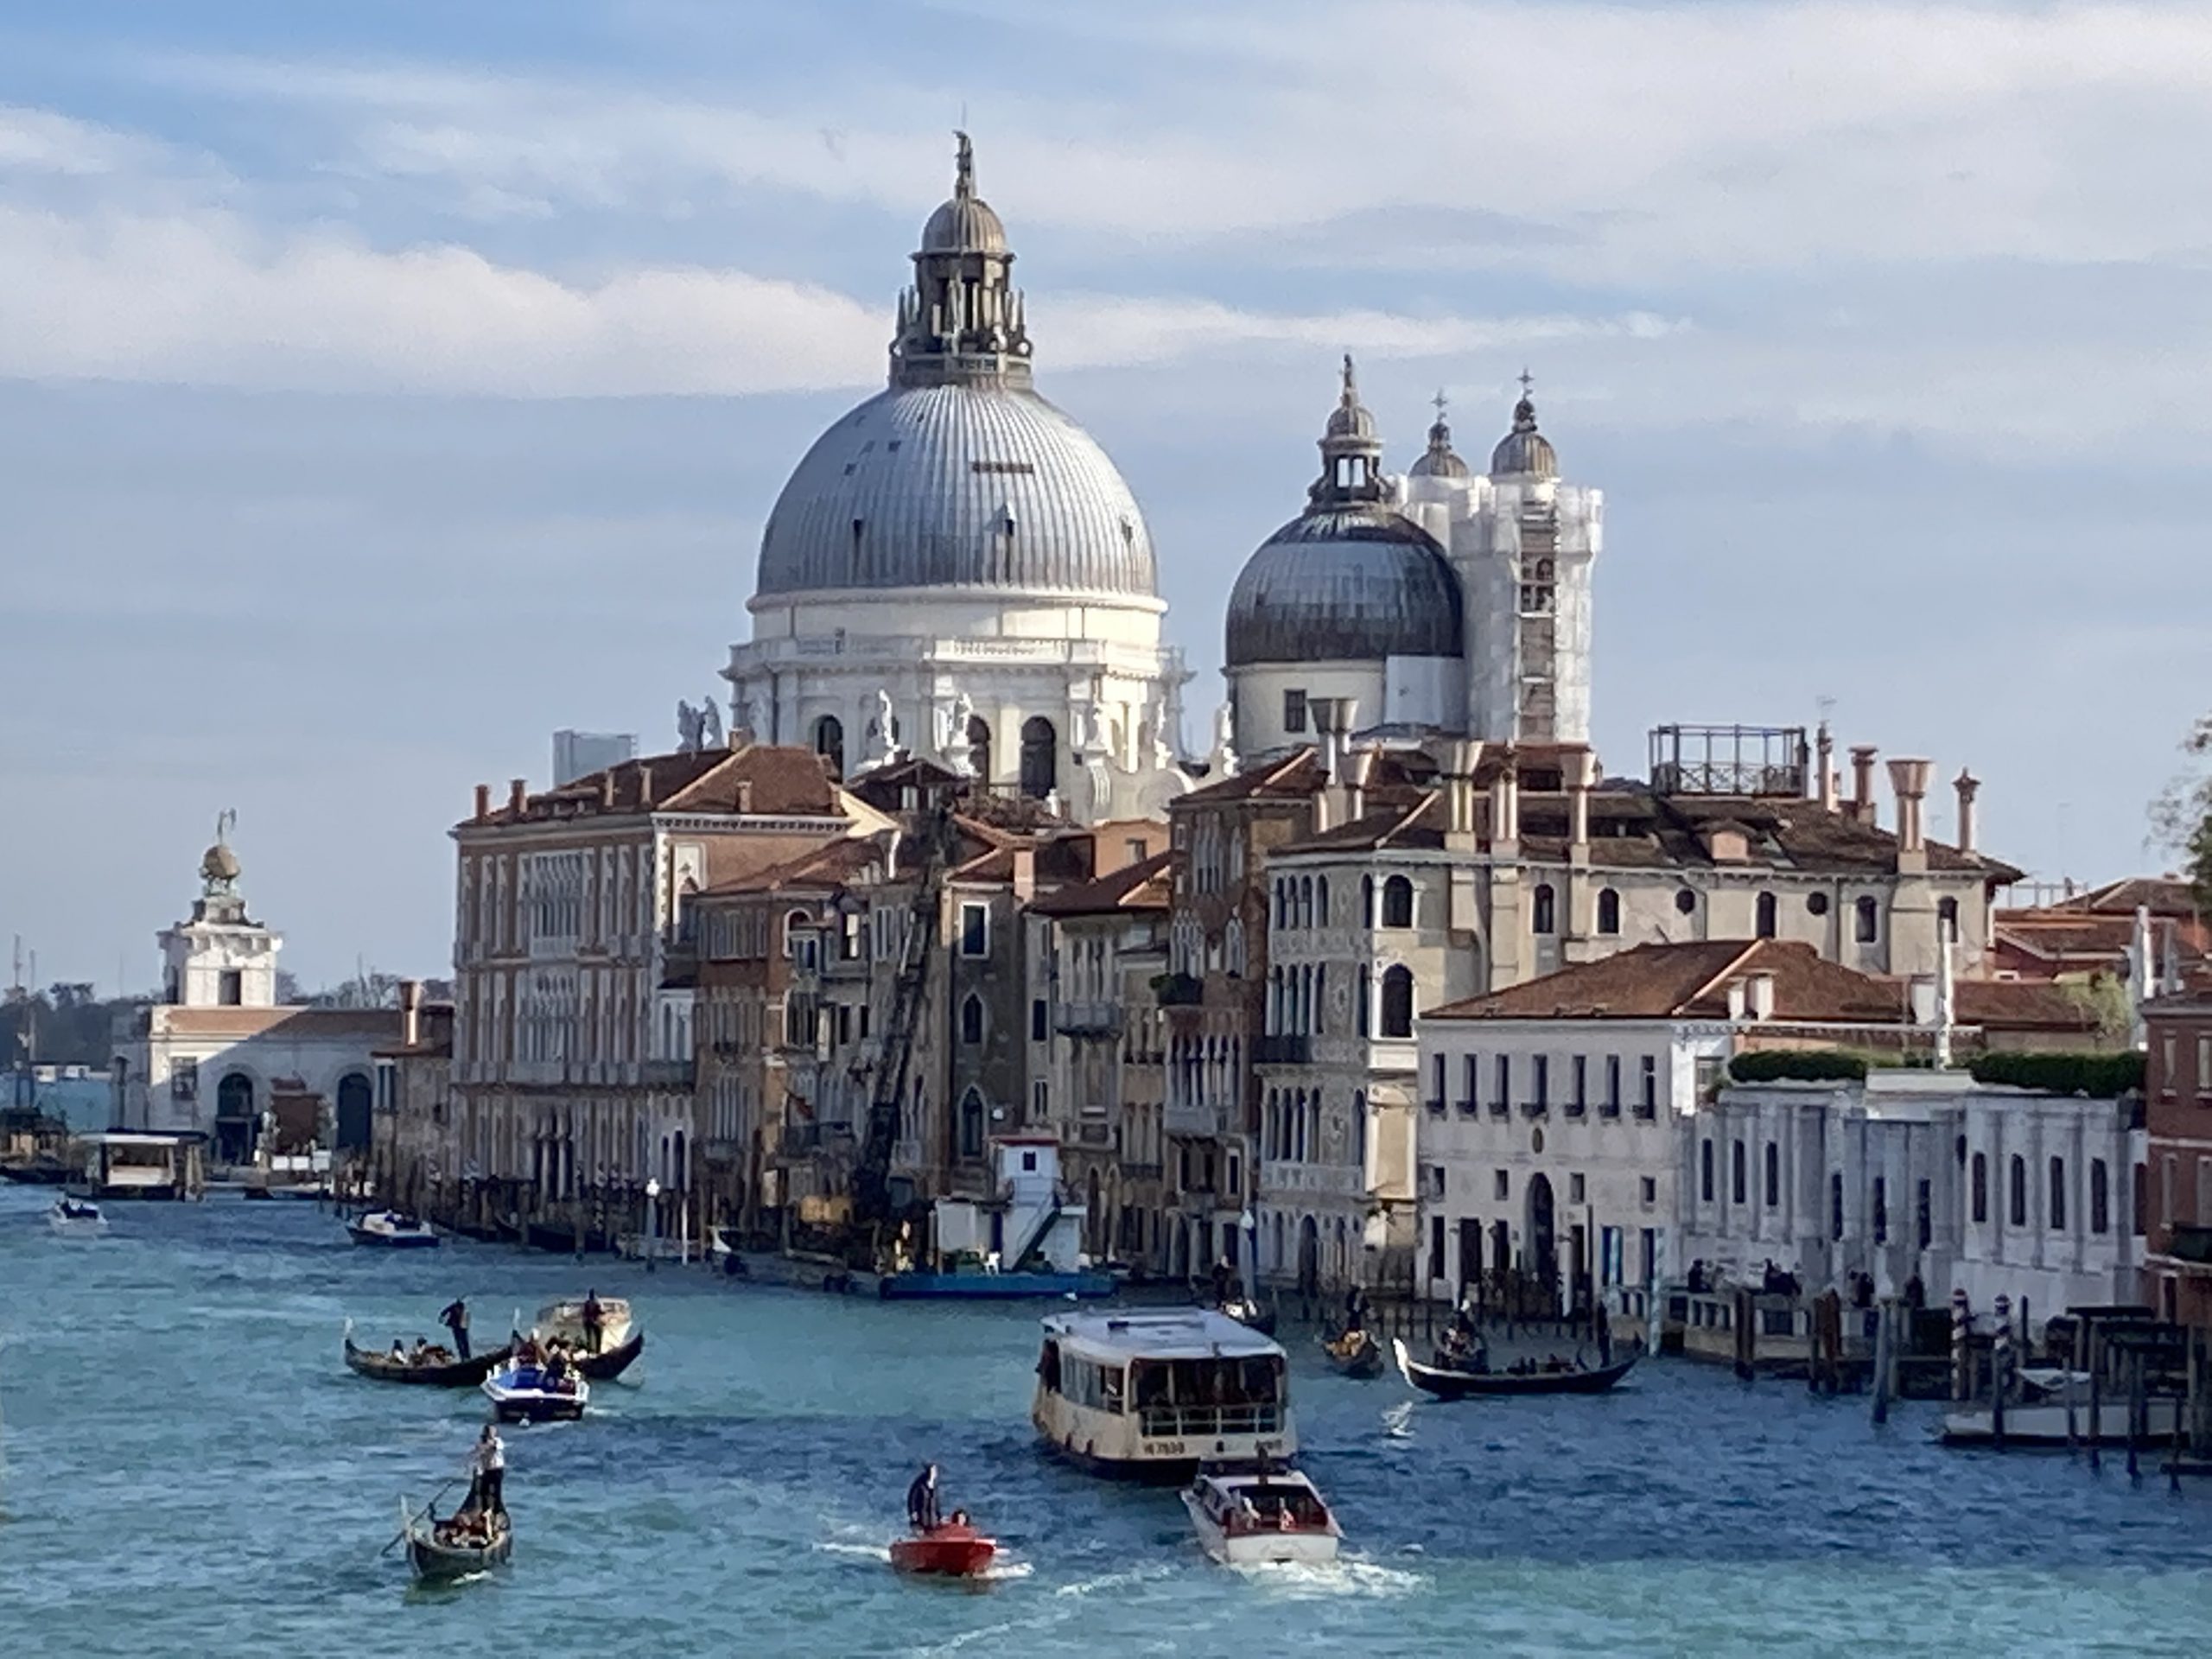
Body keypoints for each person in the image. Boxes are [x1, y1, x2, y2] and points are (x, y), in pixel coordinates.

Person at [470, 1424, 506, 1518]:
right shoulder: (480, 1444)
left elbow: (494, 1447)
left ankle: (497, 1512)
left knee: (496, 1492)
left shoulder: (498, 1441)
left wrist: (486, 1446)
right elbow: (477, 1455)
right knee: (483, 1491)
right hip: (487, 1470)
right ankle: (485, 1511)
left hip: (497, 1470)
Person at [906, 1463, 941, 1533]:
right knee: (923, 1528)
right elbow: (912, 1499)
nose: (935, 1472)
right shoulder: (919, 1485)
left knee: (932, 1528)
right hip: (921, 1516)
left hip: (932, 1518)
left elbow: (936, 1503)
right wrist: (912, 1512)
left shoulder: (934, 1486)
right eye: (933, 1470)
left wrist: (939, 1516)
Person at [440, 1297, 471, 1361]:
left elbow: (443, 1313)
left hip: (460, 1327)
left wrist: (441, 1319)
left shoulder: (460, 1308)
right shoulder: (457, 1307)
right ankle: (465, 1357)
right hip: (459, 1327)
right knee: (462, 1342)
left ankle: (465, 1357)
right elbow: (443, 1313)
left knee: (462, 1342)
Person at [582, 1289, 606, 1355]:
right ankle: (598, 1350)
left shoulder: (586, 1303)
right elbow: (600, 1312)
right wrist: (605, 1312)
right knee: (598, 1334)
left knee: (588, 1337)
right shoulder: (596, 1303)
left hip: (587, 1322)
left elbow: (583, 1312)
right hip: (593, 1322)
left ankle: (589, 1351)